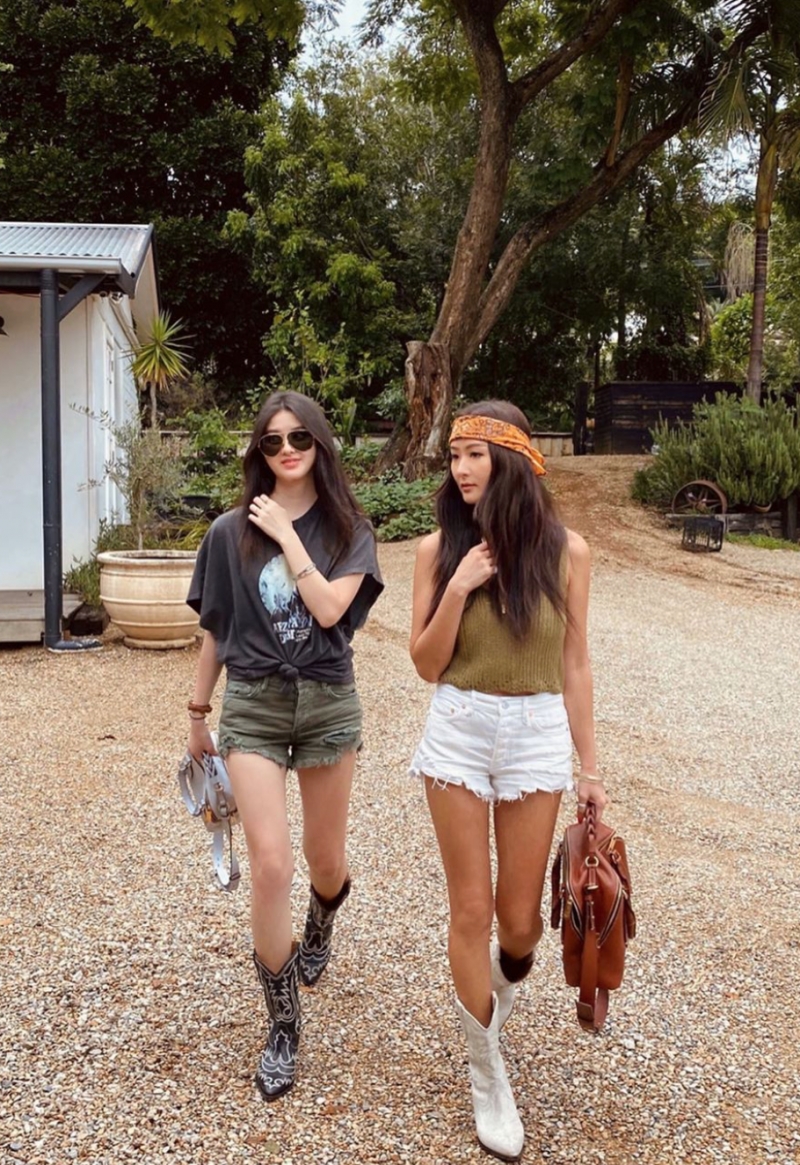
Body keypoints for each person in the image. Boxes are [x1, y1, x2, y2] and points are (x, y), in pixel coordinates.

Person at [408, 400, 607, 1161]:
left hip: (535, 733)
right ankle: (487, 1070)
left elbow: (575, 664)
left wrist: (591, 768)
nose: (460, 468)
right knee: (471, 909)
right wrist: (459, 586)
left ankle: (489, 988)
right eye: (454, 455)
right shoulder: (438, 549)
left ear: (514, 462)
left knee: (520, 926)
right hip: (459, 726)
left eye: (476, 455)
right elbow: (426, 664)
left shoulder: (568, 552)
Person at [185, 391, 383, 1101]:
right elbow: (215, 628)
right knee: (271, 864)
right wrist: (197, 713)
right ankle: (283, 1024)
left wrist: (288, 536)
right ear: (258, 452)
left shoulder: (350, 529)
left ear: (320, 443)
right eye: (272, 441)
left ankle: (321, 921)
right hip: (255, 706)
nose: (287, 450)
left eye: (299, 437)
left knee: (325, 862)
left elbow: (330, 611)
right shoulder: (227, 532)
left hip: (327, 702)